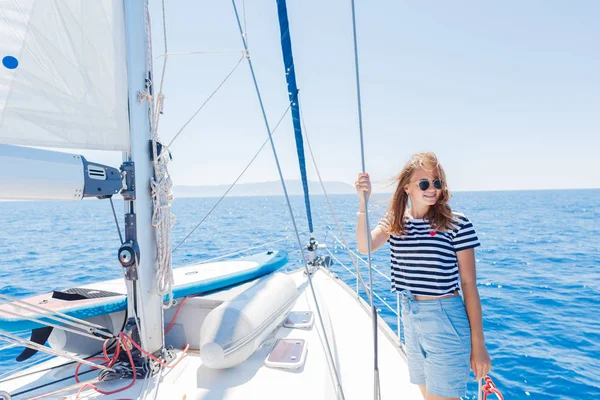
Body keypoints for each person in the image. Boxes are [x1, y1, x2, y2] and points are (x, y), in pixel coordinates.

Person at [355, 152, 491, 400]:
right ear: (407, 187)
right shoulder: (395, 222)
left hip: (445, 319)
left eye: (437, 182)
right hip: (409, 315)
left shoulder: (456, 224)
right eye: (424, 183)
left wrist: (478, 344)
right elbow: (365, 246)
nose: (432, 189)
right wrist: (363, 205)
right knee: (426, 394)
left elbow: (469, 285)